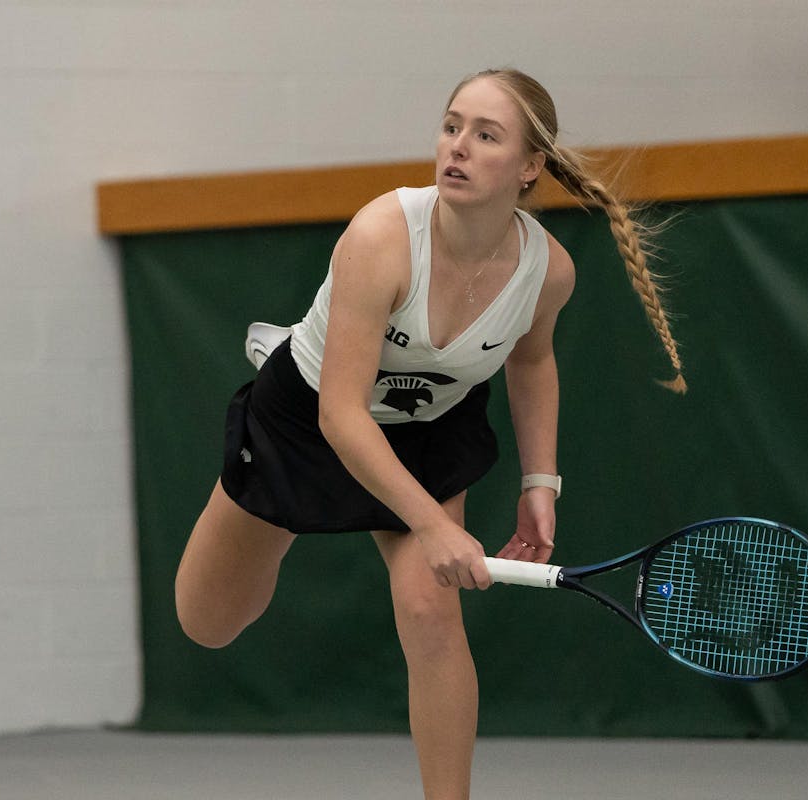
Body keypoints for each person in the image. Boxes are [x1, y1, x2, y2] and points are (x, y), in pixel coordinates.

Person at [175, 68, 686, 800]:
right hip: (309, 418)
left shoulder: (549, 273)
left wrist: (541, 484)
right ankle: (278, 367)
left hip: (430, 426)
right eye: (451, 127)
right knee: (209, 622)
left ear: (530, 166)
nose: (459, 148)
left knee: (430, 610)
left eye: (486, 135)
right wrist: (433, 527)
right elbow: (341, 416)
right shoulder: (383, 236)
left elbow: (533, 361)